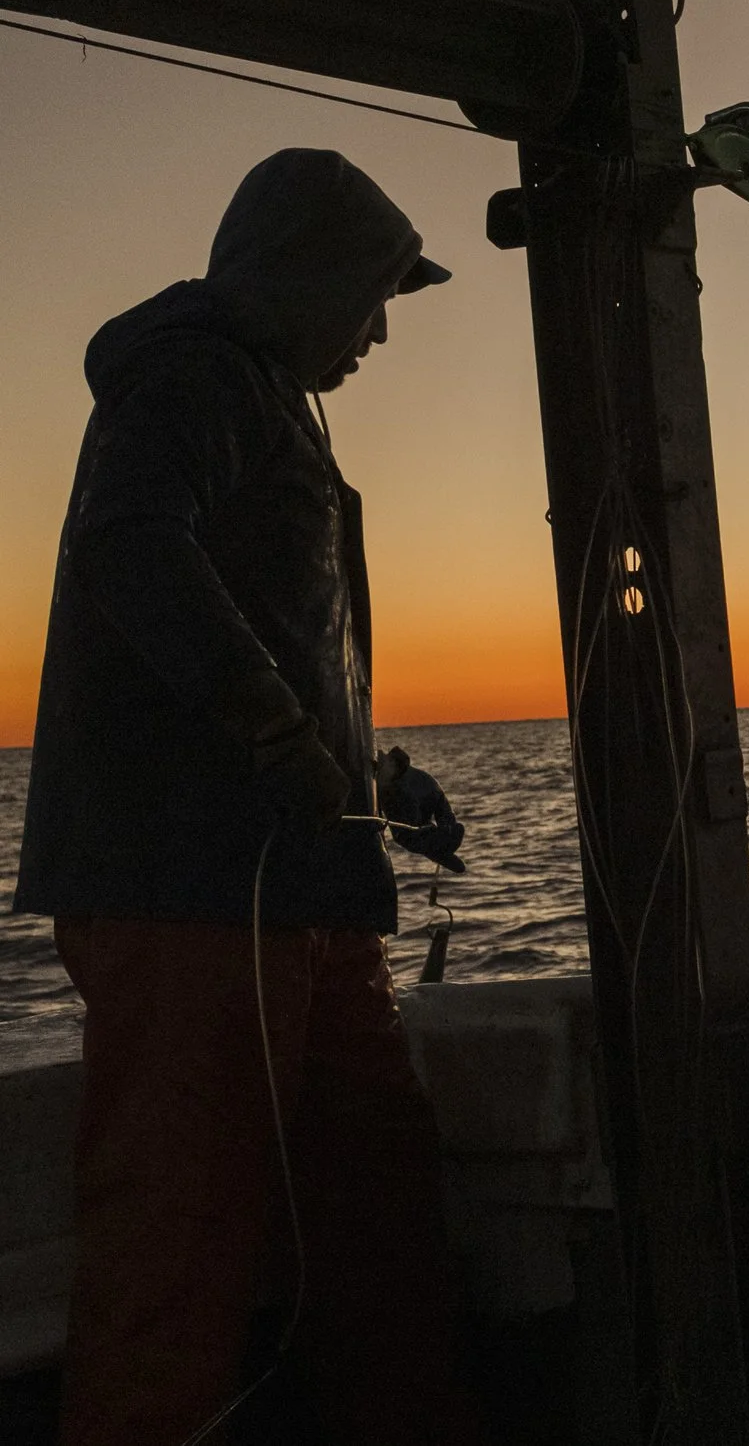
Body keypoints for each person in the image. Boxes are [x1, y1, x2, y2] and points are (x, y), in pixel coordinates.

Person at [12, 149, 484, 1445]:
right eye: (374, 293)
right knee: (177, 1243)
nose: (384, 327)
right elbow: (129, 541)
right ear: (304, 271)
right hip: (192, 897)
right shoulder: (195, 370)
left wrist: (378, 775)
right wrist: (277, 730)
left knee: (375, 1208)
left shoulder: (271, 398)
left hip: (305, 892)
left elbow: (270, 628)